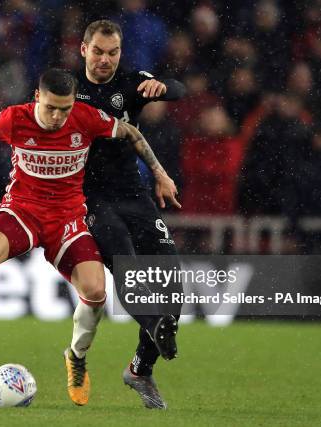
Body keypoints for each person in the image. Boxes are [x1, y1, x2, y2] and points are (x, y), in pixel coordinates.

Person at [0, 68, 179, 406]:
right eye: (51, 108)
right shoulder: (13, 119)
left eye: (65, 109)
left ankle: (76, 359)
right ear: (37, 97)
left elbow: (130, 132)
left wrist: (159, 172)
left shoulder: (86, 118)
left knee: (97, 290)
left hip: (67, 218)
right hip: (23, 210)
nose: (57, 117)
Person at [77, 20, 185, 409]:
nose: (106, 60)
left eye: (113, 52)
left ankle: (140, 368)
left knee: (172, 283)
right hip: (89, 198)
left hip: (133, 195)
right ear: (83, 49)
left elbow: (178, 89)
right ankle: (157, 325)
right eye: (99, 51)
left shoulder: (130, 83)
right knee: (128, 262)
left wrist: (163, 87)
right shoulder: (67, 90)